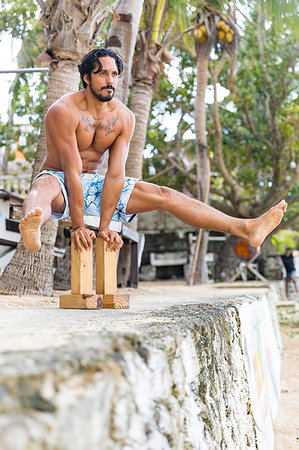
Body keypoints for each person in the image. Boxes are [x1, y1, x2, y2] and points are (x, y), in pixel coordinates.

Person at [19, 48, 287, 254]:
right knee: (42, 189)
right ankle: (34, 223)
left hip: (95, 184)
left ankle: (247, 228)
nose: (109, 80)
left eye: (114, 74)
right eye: (102, 74)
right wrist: (79, 226)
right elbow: (71, 170)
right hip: (60, 177)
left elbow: (114, 176)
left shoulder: (124, 117)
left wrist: (104, 228)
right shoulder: (63, 111)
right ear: (86, 77)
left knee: (164, 194)